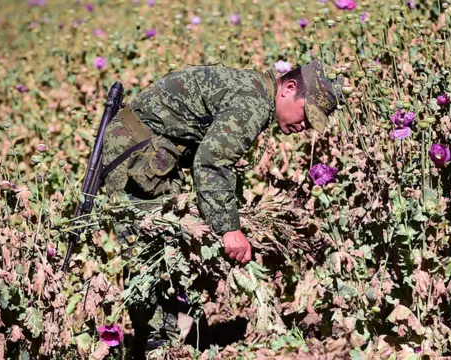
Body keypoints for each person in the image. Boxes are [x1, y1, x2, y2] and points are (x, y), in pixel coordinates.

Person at [100, 59, 342, 358]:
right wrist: (230, 229)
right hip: (137, 154)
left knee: (166, 248)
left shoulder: (255, 90)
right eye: (306, 113)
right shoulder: (253, 104)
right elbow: (212, 162)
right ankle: (158, 345)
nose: (304, 126)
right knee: (152, 252)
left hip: (150, 151)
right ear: (289, 88)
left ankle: (165, 336)